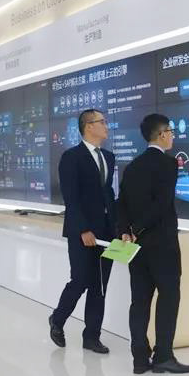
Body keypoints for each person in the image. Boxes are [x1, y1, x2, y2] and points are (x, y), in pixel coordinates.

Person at [116, 113, 189, 375]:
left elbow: (121, 204)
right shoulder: (168, 164)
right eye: (170, 132)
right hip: (162, 244)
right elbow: (161, 204)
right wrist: (137, 228)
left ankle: (140, 358)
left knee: (139, 300)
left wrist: (126, 231)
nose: (172, 136)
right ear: (161, 134)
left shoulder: (133, 166)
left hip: (136, 246)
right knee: (169, 296)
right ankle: (163, 356)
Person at [49, 109, 116, 354]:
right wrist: (83, 229)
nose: (107, 126)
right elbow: (71, 198)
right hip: (82, 232)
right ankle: (57, 319)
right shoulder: (71, 157)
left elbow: (108, 194)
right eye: (102, 122)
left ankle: (92, 336)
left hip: (107, 231)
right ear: (88, 126)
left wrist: (119, 227)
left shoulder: (108, 157)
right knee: (81, 280)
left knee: (100, 285)